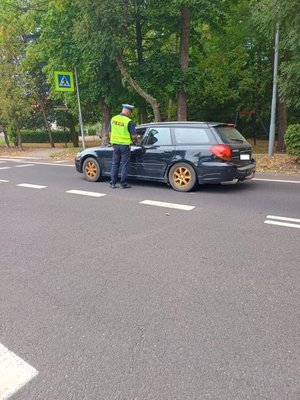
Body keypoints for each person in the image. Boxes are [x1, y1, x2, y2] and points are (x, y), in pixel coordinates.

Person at [108, 104, 138, 189]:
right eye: (130, 112)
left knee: (115, 164)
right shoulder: (128, 121)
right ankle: (123, 183)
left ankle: (112, 183)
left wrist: (112, 141)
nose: (130, 114)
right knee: (124, 165)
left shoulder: (113, 118)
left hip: (115, 145)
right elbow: (133, 136)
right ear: (128, 111)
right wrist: (136, 140)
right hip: (125, 146)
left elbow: (109, 132)